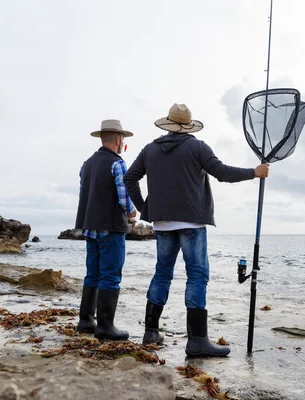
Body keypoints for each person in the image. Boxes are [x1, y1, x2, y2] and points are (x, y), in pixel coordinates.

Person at [124, 104, 269, 357]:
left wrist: (146, 208)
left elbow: (129, 178)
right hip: (191, 223)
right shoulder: (197, 147)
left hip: (162, 224)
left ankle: (150, 333)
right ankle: (197, 340)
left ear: (169, 125)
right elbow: (222, 173)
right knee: (197, 276)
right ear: (187, 126)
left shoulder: (150, 149)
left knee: (162, 274)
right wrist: (254, 173)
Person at [75, 119, 137, 341]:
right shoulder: (117, 163)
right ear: (119, 140)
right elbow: (124, 196)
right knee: (111, 274)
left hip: (90, 224)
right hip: (111, 226)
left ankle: (85, 320)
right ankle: (105, 326)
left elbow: (86, 192)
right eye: (123, 141)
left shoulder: (86, 164)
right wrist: (131, 212)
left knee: (93, 273)